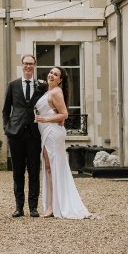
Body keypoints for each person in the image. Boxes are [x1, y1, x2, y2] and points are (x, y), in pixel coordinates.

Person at [34, 66, 93, 219]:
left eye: (56, 74)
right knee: (49, 168)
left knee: (53, 168)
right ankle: (52, 204)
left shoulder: (56, 92)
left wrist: (45, 119)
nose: (52, 75)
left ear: (60, 80)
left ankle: (53, 206)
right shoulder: (48, 91)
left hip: (53, 133)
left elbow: (64, 114)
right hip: (47, 132)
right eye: (51, 72)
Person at [2, 53, 47, 218]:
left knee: (34, 171)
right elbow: (6, 109)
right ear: (22, 65)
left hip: (34, 134)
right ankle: (18, 207)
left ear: (34, 66)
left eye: (31, 64)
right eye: (26, 63)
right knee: (18, 172)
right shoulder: (12, 85)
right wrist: (7, 128)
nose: (28, 66)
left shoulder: (41, 86)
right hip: (16, 134)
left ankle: (33, 207)